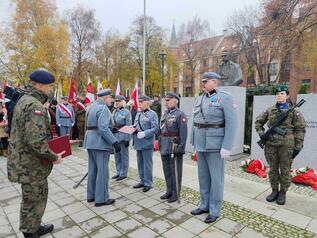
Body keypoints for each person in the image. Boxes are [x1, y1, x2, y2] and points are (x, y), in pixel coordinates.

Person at [7, 69, 64, 238]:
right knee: (33, 200)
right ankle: (30, 233)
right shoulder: (34, 106)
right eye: (49, 85)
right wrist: (54, 157)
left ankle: (34, 227)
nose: (51, 89)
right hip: (30, 165)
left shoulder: (25, 100)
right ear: (40, 85)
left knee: (34, 198)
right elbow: (36, 142)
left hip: (26, 162)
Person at [190, 71, 237, 223]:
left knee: (216, 179)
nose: (203, 84)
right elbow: (195, 121)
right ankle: (204, 204)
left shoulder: (225, 97)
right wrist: (193, 141)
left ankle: (215, 209)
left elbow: (232, 123)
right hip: (201, 143)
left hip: (216, 145)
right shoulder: (200, 98)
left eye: (206, 81)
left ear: (215, 82)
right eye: (202, 81)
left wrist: (227, 146)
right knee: (203, 177)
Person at [255, 85, 306, 205]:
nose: (279, 95)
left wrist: (298, 147)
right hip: (271, 145)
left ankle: (282, 192)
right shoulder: (269, 110)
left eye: (282, 93)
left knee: (285, 170)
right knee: (273, 169)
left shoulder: (294, 112)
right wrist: (262, 134)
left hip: (286, 146)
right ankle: (274, 190)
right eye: (277, 94)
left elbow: (300, 129)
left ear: (287, 95)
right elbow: (258, 122)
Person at [84, 89, 121, 206]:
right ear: (106, 98)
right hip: (100, 143)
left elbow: (93, 125)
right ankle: (102, 198)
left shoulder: (91, 107)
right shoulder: (103, 108)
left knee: (92, 170)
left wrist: (111, 128)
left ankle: (91, 195)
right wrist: (114, 142)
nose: (112, 100)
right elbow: (103, 128)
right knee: (103, 172)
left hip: (90, 141)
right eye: (110, 98)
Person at [159, 92, 188, 203]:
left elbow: (183, 133)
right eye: (166, 100)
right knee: (167, 170)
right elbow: (161, 130)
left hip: (173, 146)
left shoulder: (180, 114)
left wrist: (180, 148)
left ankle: (176, 193)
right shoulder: (165, 114)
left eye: (168, 100)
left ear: (175, 101)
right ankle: (169, 190)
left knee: (175, 170)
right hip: (164, 145)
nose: (166, 102)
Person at [133, 95, 159, 192]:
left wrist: (145, 133)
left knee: (147, 163)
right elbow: (136, 124)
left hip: (147, 142)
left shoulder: (152, 114)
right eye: (139, 102)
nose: (139, 103)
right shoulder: (138, 113)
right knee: (140, 163)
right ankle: (142, 180)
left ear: (147, 103)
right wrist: (132, 128)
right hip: (138, 142)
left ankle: (148, 183)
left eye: (141, 102)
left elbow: (156, 128)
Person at [112, 95, 132, 181]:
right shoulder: (114, 112)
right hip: (115, 136)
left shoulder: (126, 112)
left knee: (124, 156)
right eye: (116, 101)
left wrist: (128, 139)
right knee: (117, 156)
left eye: (119, 101)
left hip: (123, 136)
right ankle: (118, 171)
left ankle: (124, 173)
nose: (117, 102)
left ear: (123, 102)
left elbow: (129, 125)